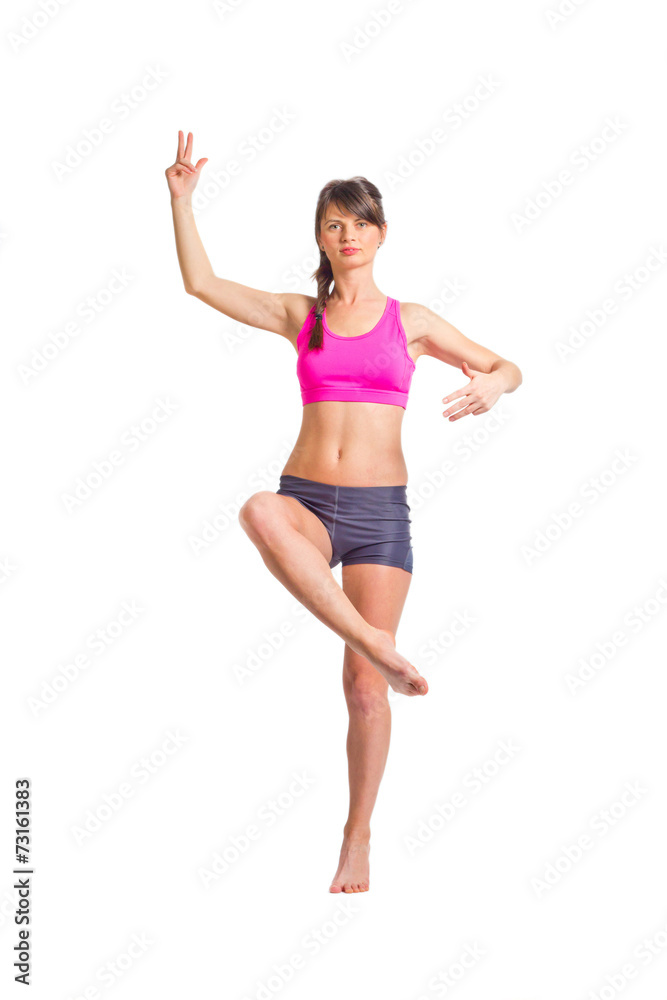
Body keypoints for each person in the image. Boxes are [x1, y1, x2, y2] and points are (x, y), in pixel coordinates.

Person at [166, 130, 522, 893]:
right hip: (307, 503)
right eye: (333, 224)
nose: (347, 235)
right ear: (320, 239)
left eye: (359, 223)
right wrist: (182, 201)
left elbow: (506, 365)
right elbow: (201, 283)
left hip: (378, 515)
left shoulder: (413, 321)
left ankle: (356, 836)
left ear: (380, 233)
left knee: (363, 689)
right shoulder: (303, 314)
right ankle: (373, 640)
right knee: (259, 508)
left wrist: (495, 384)